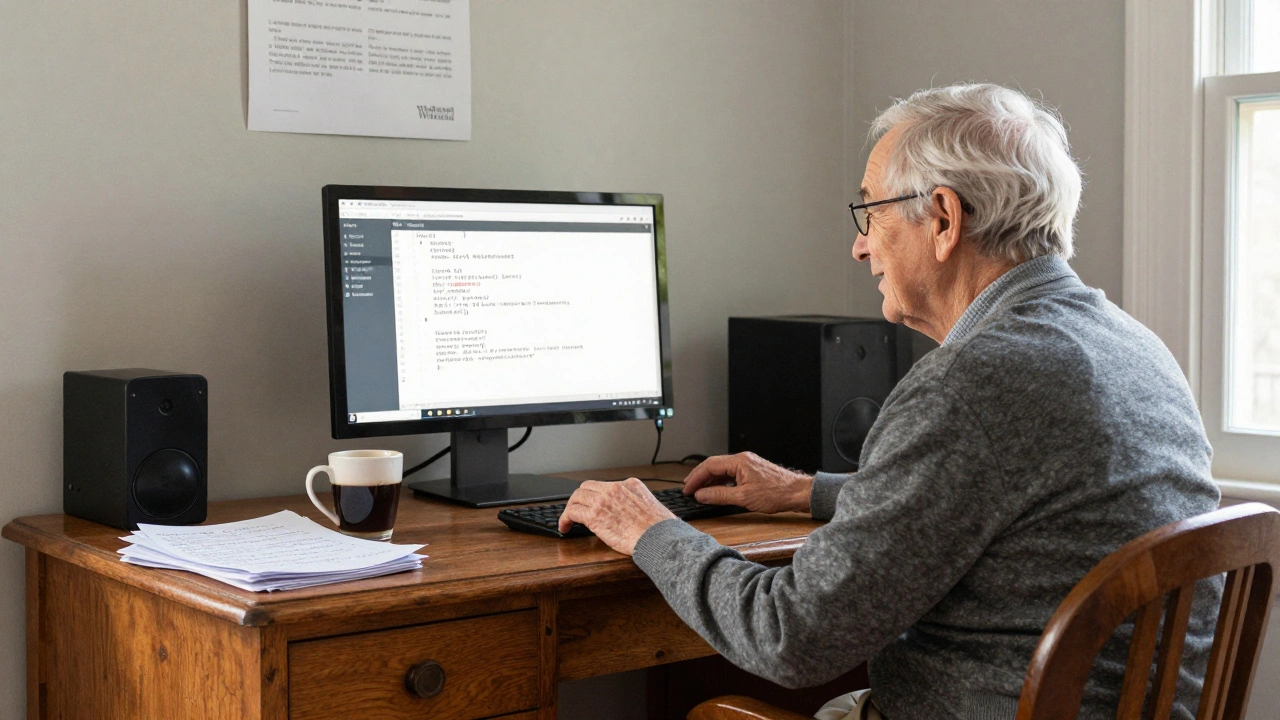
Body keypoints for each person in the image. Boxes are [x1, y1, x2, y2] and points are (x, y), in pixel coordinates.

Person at [558, 83, 1221, 720]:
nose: (859, 244)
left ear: (942, 217)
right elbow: (1013, 506)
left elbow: (789, 636)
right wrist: (808, 492)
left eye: (870, 211)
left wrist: (649, 529)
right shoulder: (1132, 347)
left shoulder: (970, 384)